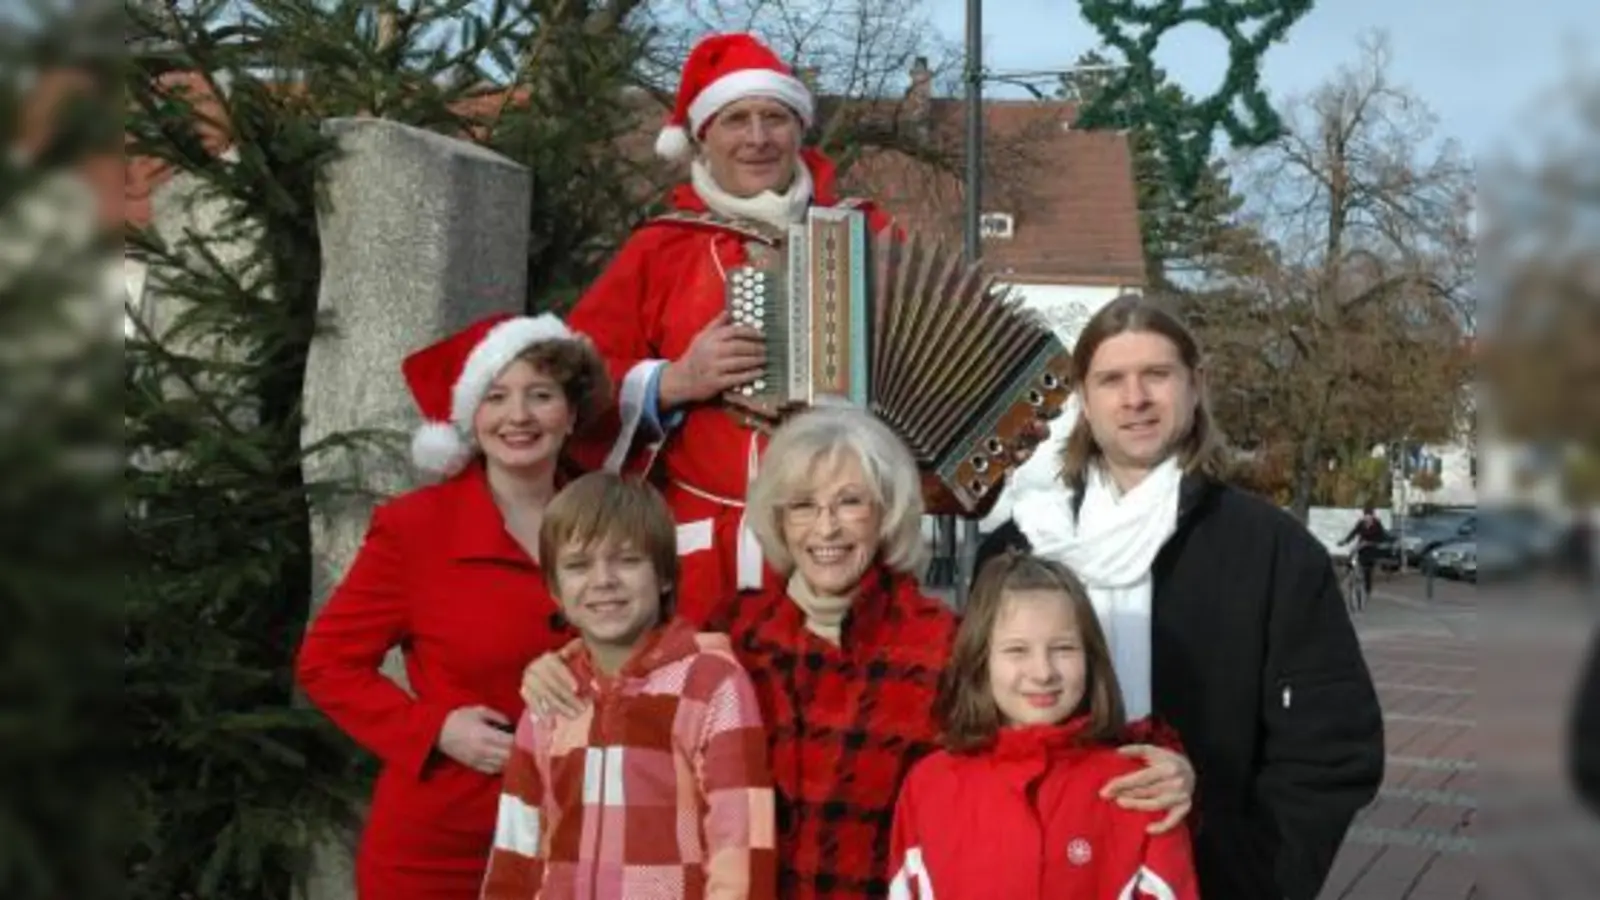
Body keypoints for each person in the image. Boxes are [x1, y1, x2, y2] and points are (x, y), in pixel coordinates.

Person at [523, 406, 1189, 898]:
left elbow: (1044, 724)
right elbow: (633, 678)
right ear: (779, 521)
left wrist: (1164, 757)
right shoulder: (733, 635)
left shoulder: (939, 640)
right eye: (804, 507)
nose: (828, 528)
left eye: (850, 503)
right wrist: (559, 664)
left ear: (887, 512)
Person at [564, 32, 1038, 616]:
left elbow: (946, 359)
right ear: (702, 136)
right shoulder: (662, 247)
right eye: (737, 119)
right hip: (706, 560)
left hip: (849, 555)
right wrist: (673, 382)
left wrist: (989, 434)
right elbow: (568, 385)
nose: (758, 138)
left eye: (775, 118)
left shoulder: (868, 236)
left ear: (800, 130)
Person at [977, 292, 1385, 900]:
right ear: (1085, 401)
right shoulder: (1021, 549)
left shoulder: (1272, 551)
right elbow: (973, 720)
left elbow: (1334, 749)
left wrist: (1240, 858)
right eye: (1112, 379)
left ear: (1196, 386)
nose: (1135, 398)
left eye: (1157, 375)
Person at [296, 313, 609, 899]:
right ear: (471, 418)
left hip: (585, 836)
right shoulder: (416, 529)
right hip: (444, 847)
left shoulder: (611, 519)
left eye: (540, 395)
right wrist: (434, 727)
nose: (518, 416)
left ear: (570, 414)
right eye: (496, 397)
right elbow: (326, 663)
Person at [481, 472, 775, 898]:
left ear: (665, 576)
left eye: (627, 560)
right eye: (579, 565)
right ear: (555, 591)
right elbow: (516, 850)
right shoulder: (551, 693)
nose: (604, 580)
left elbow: (741, 846)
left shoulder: (710, 685)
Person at [887, 552, 1199, 900]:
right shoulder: (929, 785)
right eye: (1017, 650)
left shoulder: (1138, 787)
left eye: (1063, 648)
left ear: (1090, 656)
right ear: (980, 659)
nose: (1042, 672)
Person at [1340, 505, 1391, 598]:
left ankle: (1367, 589)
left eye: (1369, 515)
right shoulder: (1361, 523)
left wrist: (1379, 542)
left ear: (1372, 515)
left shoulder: (1377, 524)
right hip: (1361, 546)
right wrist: (1345, 541)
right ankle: (1348, 572)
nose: (1367, 518)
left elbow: (1382, 536)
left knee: (1367, 569)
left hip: (1372, 547)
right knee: (1353, 553)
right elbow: (1353, 533)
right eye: (1365, 515)